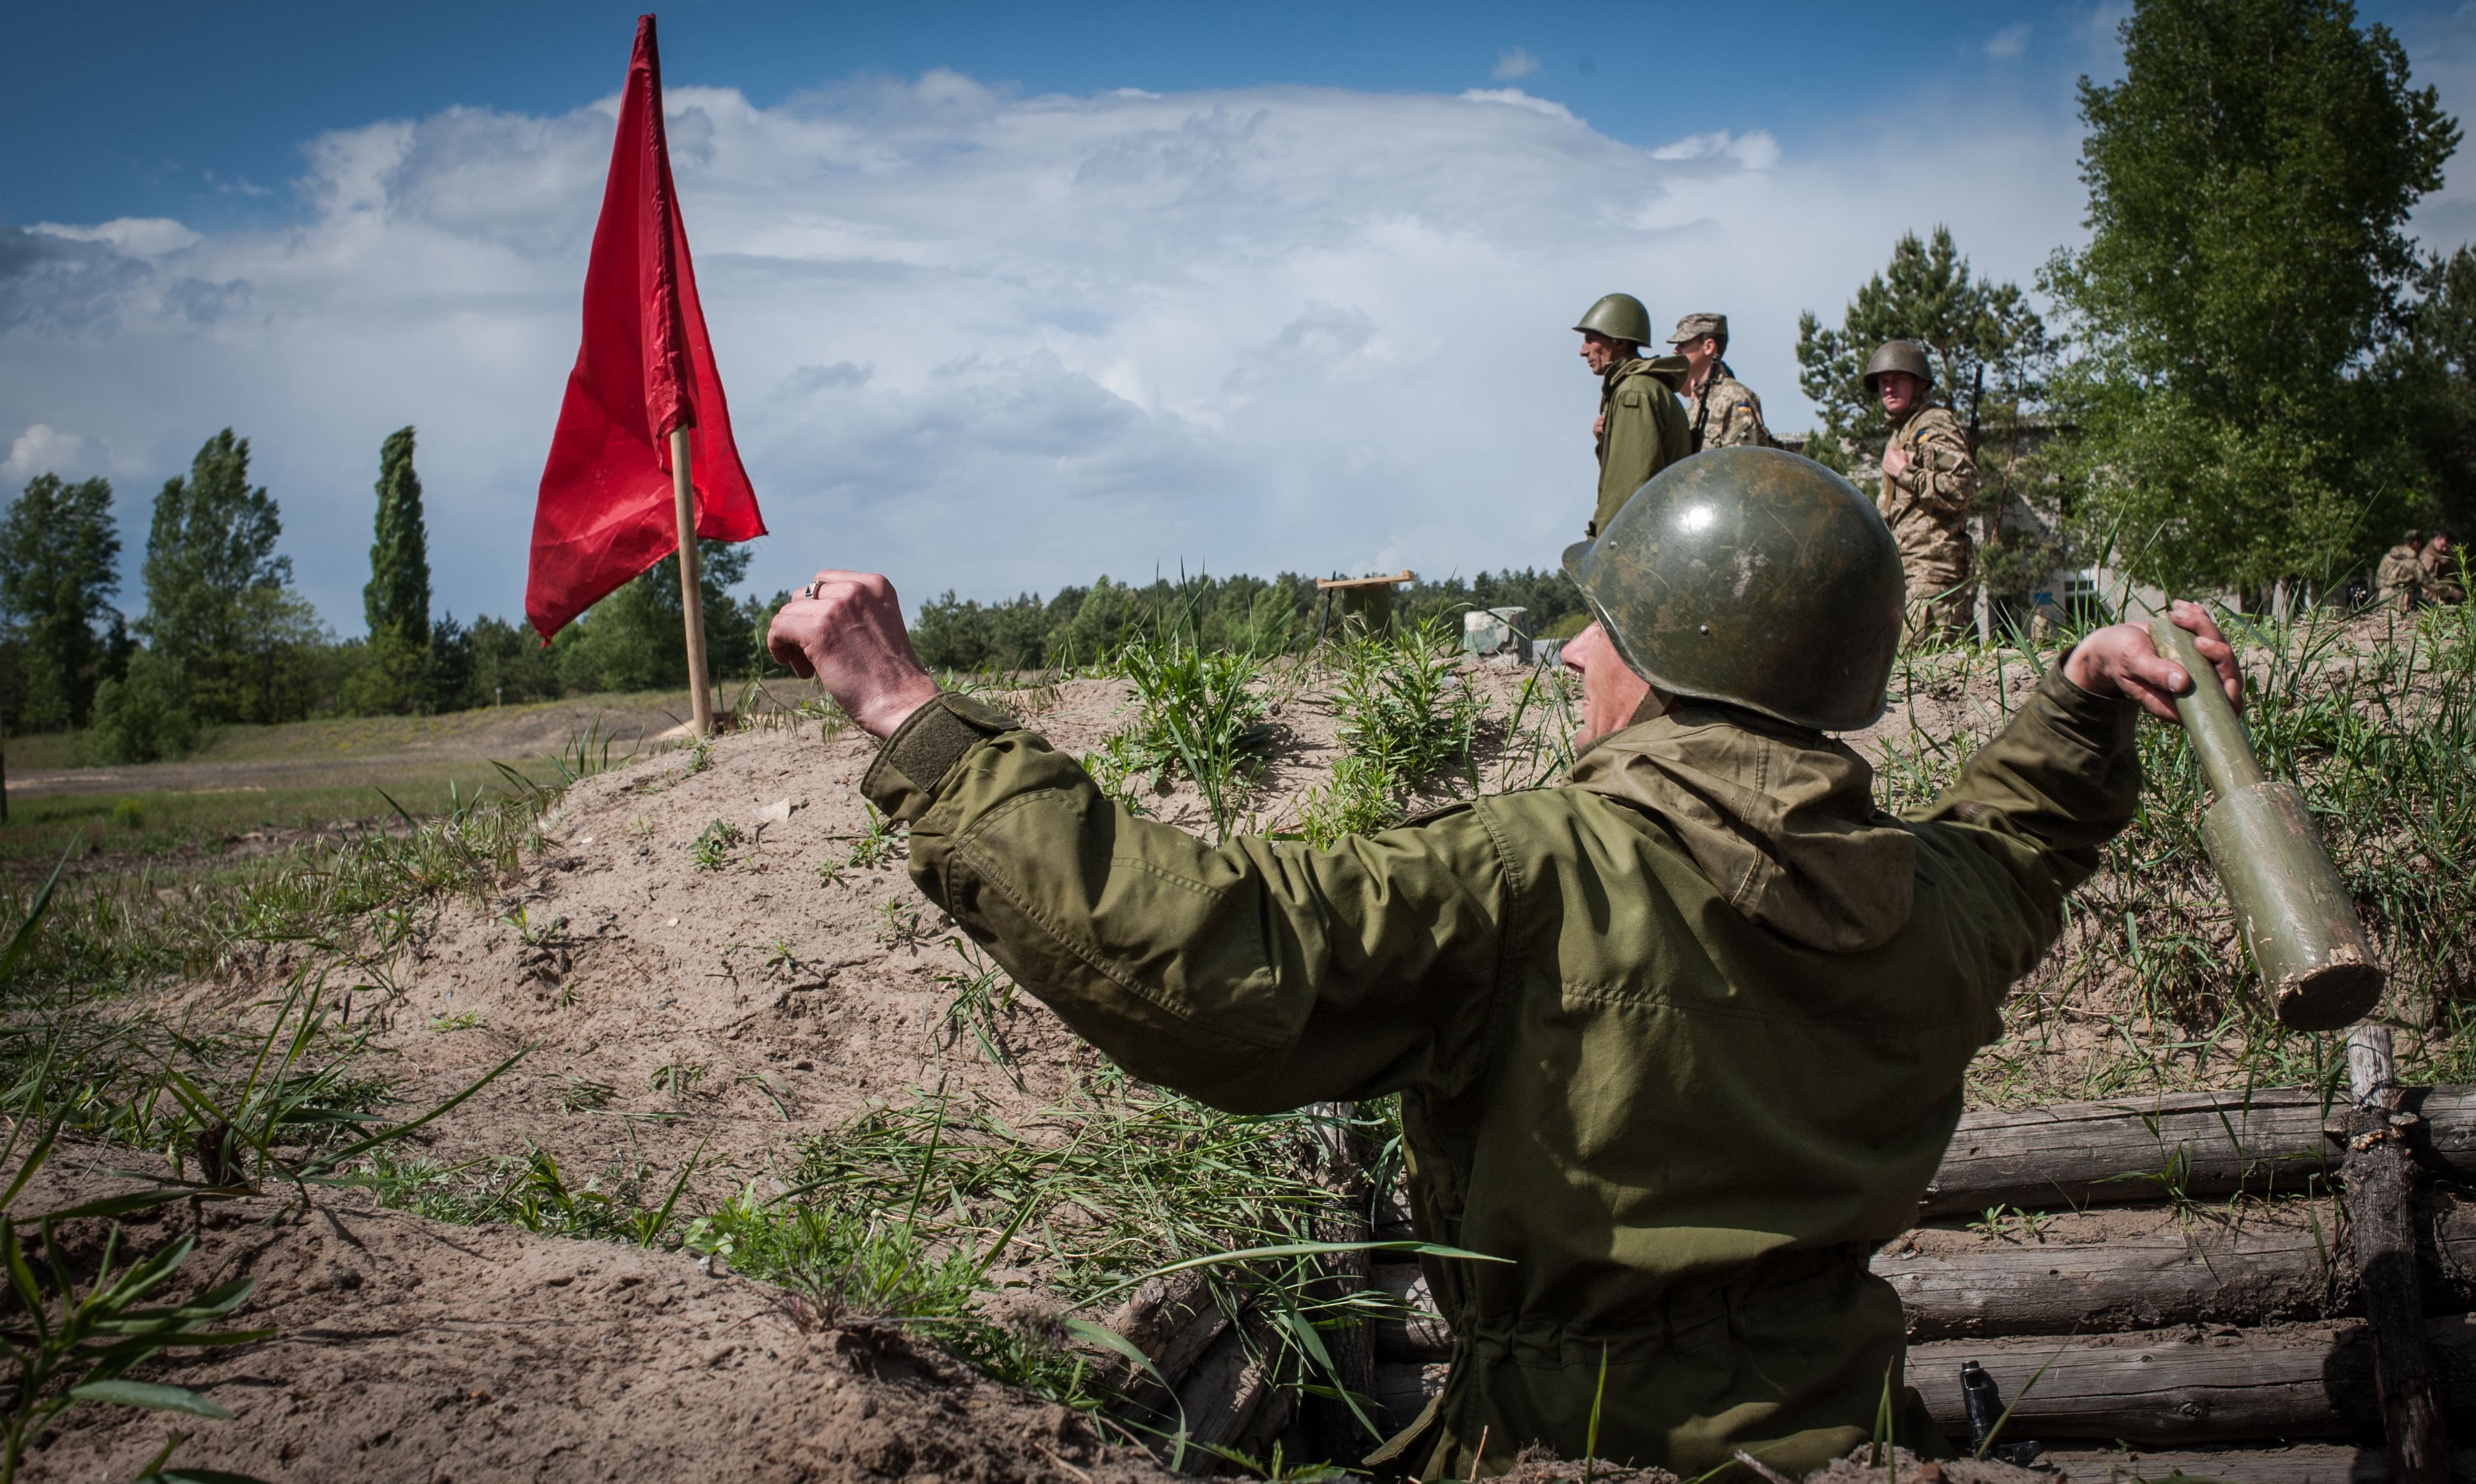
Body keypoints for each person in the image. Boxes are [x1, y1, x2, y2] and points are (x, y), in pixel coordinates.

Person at [765, 450, 2244, 1481]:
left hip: (1578, 1452)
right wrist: (2079, 704)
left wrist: (913, 720)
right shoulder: (1930, 904)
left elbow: (1203, 955)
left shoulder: (1531, 874)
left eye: (1599, 625)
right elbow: (2019, 837)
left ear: (1669, 665)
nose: (1569, 657)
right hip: (1847, 1439)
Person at [1866, 340, 1977, 642]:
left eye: (1898, 379)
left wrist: (1906, 473)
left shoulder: (1934, 424)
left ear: (1921, 383)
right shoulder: (1903, 431)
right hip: (1908, 572)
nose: (1889, 388)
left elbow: (1961, 486)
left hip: (1932, 570)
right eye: (1883, 382)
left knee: (1928, 673)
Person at [1575, 293, 1692, 537]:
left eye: (1590, 339)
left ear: (1619, 342)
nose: (1583, 351)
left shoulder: (1633, 392)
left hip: (1641, 544)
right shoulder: (1639, 387)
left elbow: (1628, 488)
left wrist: (1603, 548)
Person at [1669, 313, 1770, 451]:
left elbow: (1747, 465)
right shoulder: (1696, 403)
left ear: (1709, 346)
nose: (1676, 350)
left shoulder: (1735, 398)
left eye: (1684, 343)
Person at [2375, 530, 2426, 612]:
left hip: (2384, 596)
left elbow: (2379, 579)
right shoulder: (2413, 561)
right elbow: (2426, 580)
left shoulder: (2388, 557)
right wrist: (2450, 592)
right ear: (2416, 543)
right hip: (2401, 597)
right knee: (2400, 622)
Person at [2421, 531, 2465, 605]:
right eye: (2443, 546)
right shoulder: (2428, 556)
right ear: (2436, 540)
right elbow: (2425, 582)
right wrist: (2436, 600)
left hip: (2449, 596)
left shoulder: (2441, 552)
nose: (2445, 549)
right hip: (2438, 601)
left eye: (2447, 547)